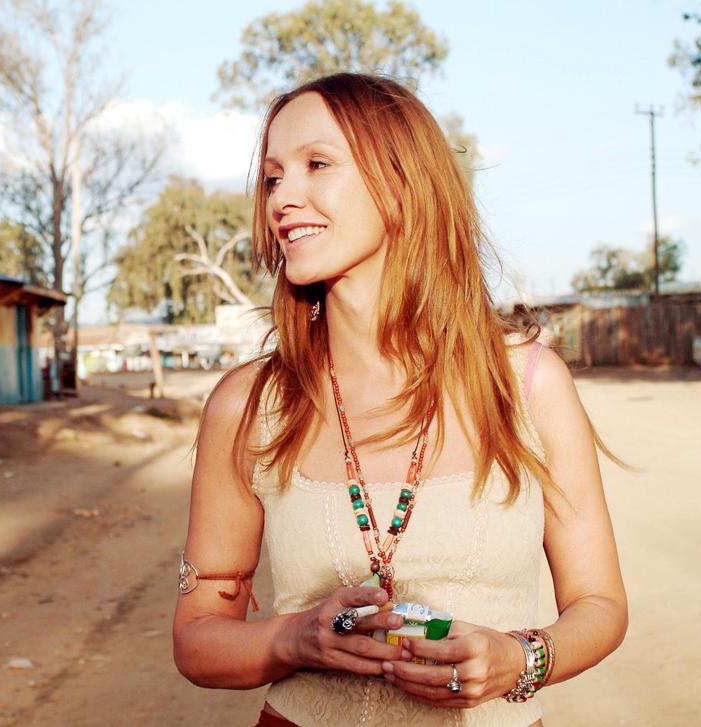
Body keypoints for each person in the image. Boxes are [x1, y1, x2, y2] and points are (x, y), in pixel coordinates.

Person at [172, 73, 627, 726]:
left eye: (316, 164)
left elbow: (600, 604)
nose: (282, 199)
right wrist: (292, 638)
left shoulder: (527, 384)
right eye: (272, 177)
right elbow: (197, 638)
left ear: (401, 183)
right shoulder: (249, 405)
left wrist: (518, 658)